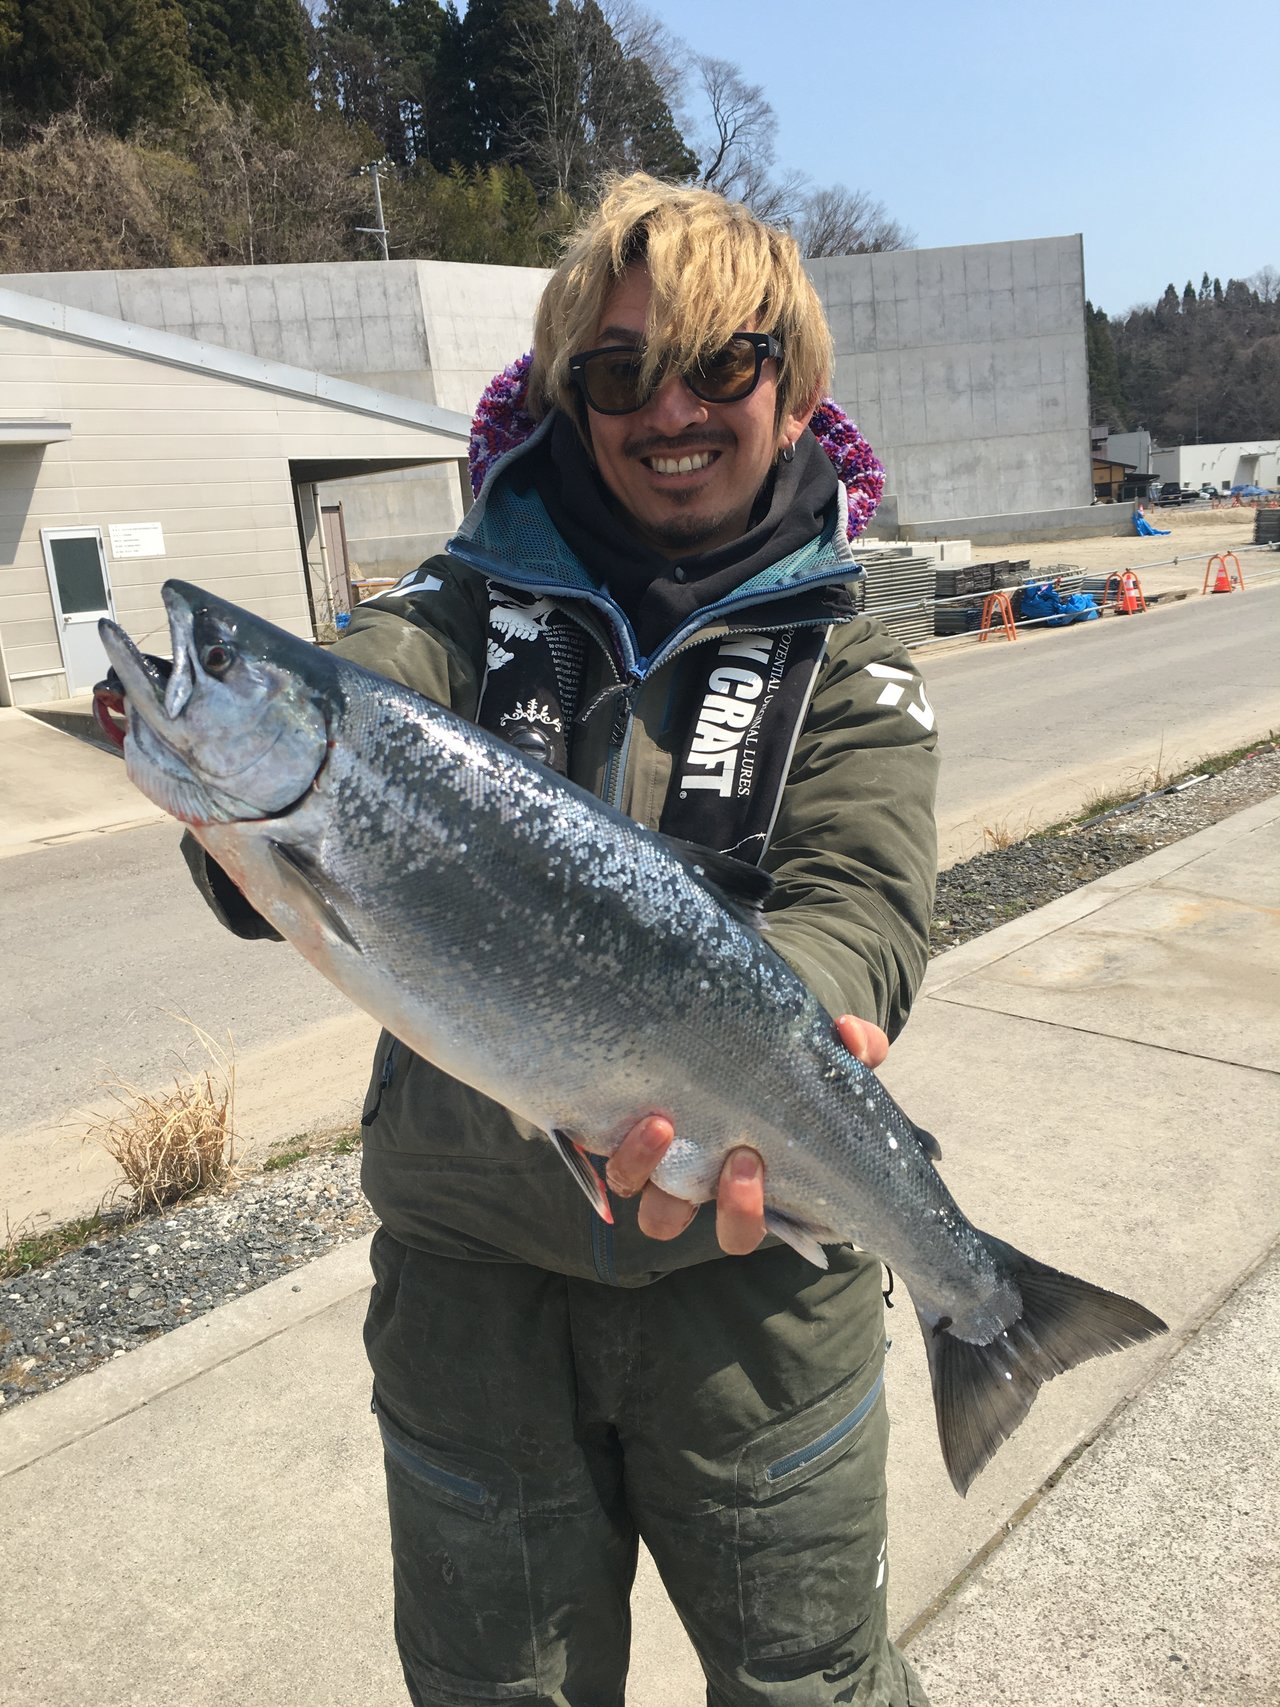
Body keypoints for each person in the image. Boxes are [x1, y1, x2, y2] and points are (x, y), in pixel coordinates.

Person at [188, 173, 937, 1704]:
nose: (671, 408)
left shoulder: (845, 655)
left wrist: (793, 1044)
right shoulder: (456, 611)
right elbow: (330, 721)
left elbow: (861, 894)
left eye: (721, 365)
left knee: (814, 1691)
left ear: (790, 392)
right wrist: (216, 802)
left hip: (752, 1288)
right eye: (620, 373)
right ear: (568, 400)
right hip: (477, 1282)